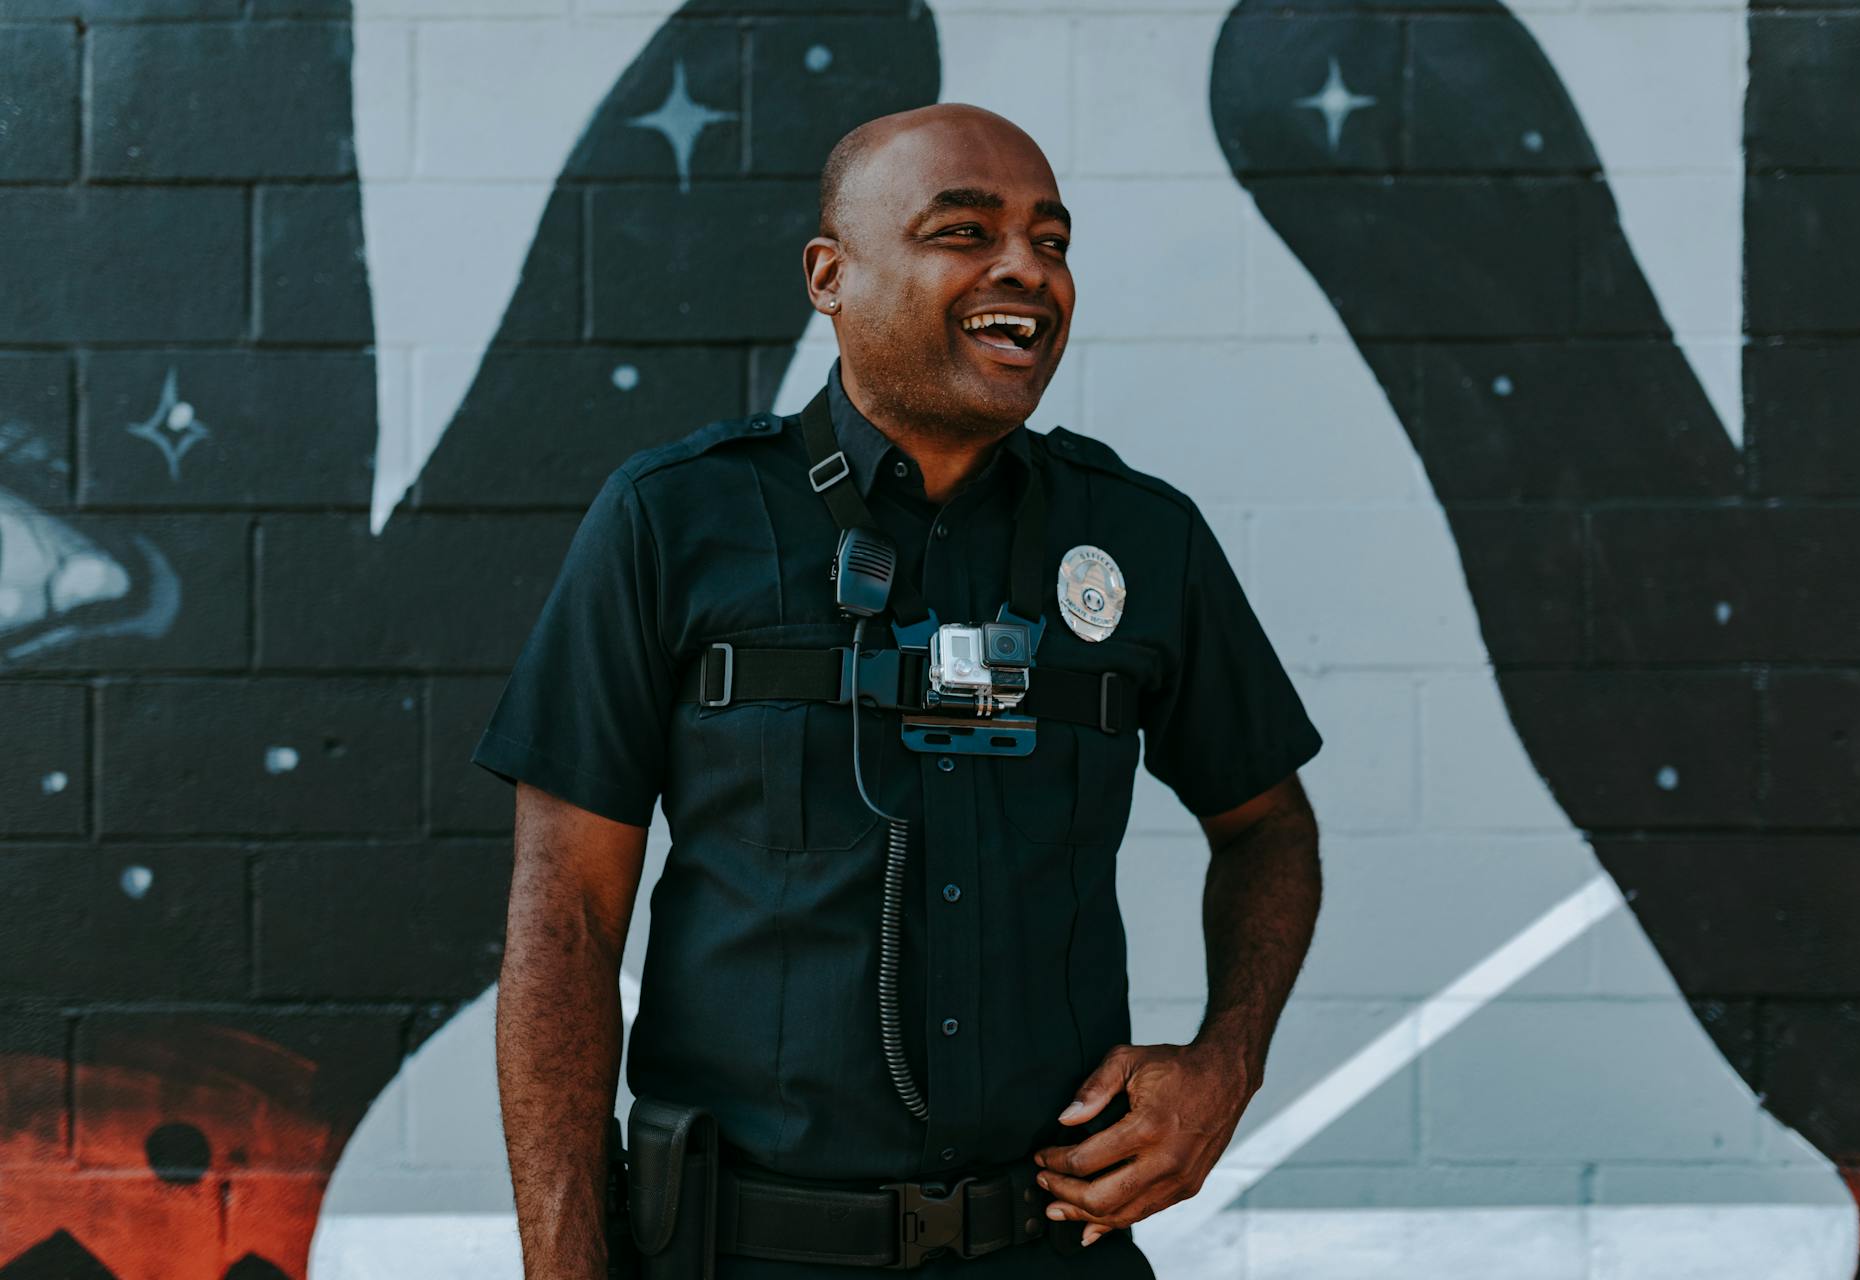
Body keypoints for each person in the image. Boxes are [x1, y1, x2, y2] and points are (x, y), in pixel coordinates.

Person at [474, 102, 1324, 1279]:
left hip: (1050, 1249)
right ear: (831, 274)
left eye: (1052, 240)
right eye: (964, 232)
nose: (1025, 268)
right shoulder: (672, 520)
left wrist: (1228, 1061)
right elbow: (563, 919)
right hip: (745, 1254)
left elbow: (1269, 825)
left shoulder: (1140, 537)